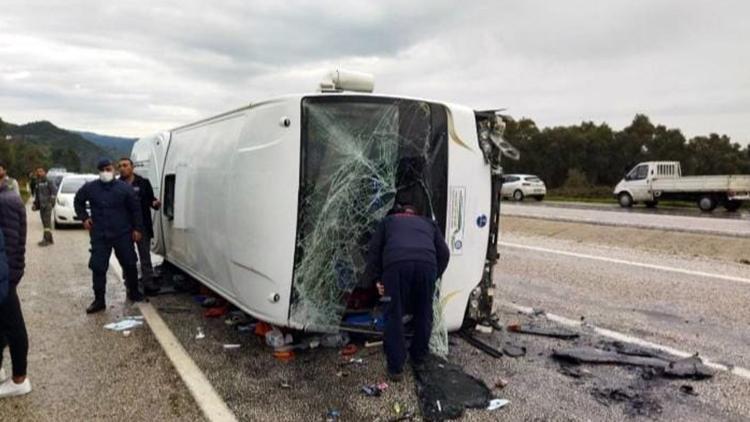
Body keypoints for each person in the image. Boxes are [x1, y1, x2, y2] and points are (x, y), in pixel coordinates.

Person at [365, 190, 450, 382]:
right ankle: (419, 358)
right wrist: (433, 276)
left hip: (395, 266)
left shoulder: (388, 222)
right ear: (417, 213)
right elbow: (444, 253)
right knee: (424, 312)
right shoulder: (429, 223)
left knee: (393, 313)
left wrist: (378, 280)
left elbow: (374, 253)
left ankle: (396, 368)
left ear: (398, 211)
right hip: (427, 266)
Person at [74, 159, 144, 313]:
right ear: (99, 172)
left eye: (108, 169)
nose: (106, 172)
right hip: (100, 234)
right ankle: (99, 300)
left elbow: (135, 210)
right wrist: (84, 217)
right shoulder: (90, 188)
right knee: (98, 267)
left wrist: (137, 229)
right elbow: (78, 201)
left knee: (130, 263)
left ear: (113, 170)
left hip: (122, 233)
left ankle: (134, 292)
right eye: (102, 169)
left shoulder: (124, 189)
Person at [0, 178, 30, 398]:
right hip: (6, 274)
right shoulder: (9, 198)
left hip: (4, 276)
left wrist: (9, 278)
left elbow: (11, 244)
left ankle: (19, 379)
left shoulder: (5, 202)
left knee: (13, 326)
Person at [117, 158, 161, 295]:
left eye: (125, 165)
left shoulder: (143, 183)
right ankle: (130, 285)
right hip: (124, 228)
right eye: (120, 166)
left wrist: (155, 203)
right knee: (127, 258)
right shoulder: (116, 185)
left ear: (132, 167)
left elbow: (150, 200)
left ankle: (148, 284)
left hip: (142, 226)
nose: (122, 168)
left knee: (145, 257)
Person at [31, 166, 56, 246]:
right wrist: (35, 204)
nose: (39, 173)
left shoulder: (49, 181)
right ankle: (50, 239)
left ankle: (46, 240)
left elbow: (53, 192)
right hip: (41, 206)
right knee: (45, 223)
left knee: (46, 223)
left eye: (41, 171)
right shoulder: (37, 182)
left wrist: (51, 203)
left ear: (45, 172)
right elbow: (37, 195)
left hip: (47, 205)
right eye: (38, 171)